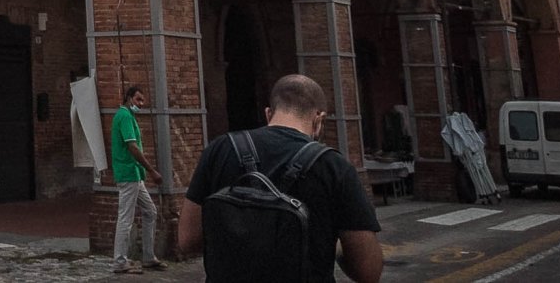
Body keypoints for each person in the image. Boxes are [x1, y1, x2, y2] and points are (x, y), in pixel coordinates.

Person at [177, 74, 384, 283]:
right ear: (319, 119)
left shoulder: (219, 150)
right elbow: (368, 271)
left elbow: (188, 240)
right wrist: (335, 246)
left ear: (268, 113)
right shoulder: (334, 167)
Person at [110, 84, 166, 274]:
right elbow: (133, 147)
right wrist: (152, 171)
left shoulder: (127, 116)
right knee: (125, 218)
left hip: (134, 174)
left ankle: (149, 257)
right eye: (138, 99)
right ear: (129, 98)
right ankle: (119, 262)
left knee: (150, 211)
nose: (140, 104)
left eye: (142, 100)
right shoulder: (125, 116)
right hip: (128, 173)